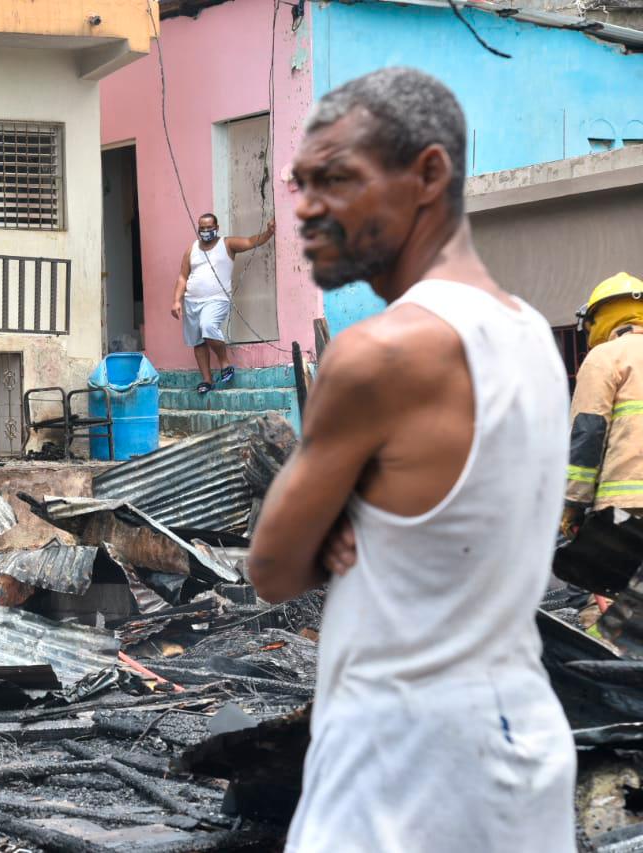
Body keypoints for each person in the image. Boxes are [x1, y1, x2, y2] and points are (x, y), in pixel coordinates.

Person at [247, 67, 575, 851]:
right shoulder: (531, 332)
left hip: (402, 770)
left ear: (428, 174)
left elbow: (273, 566)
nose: (306, 207)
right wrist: (354, 506)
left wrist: (331, 516)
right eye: (300, 183)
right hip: (521, 752)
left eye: (337, 179)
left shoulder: (380, 354)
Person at [561, 272, 643, 540]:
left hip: (628, 509)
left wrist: (574, 502)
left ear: (599, 318)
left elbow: (589, 431)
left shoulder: (604, 356)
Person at [170, 212, 274, 391]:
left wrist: (268, 233)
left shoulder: (227, 244)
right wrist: (176, 301)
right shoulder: (191, 249)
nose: (205, 231)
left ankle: (224, 363)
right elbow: (182, 277)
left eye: (209, 228)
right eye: (202, 228)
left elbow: (250, 242)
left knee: (208, 326)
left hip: (216, 299)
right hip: (192, 302)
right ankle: (207, 380)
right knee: (198, 342)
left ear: (216, 228)